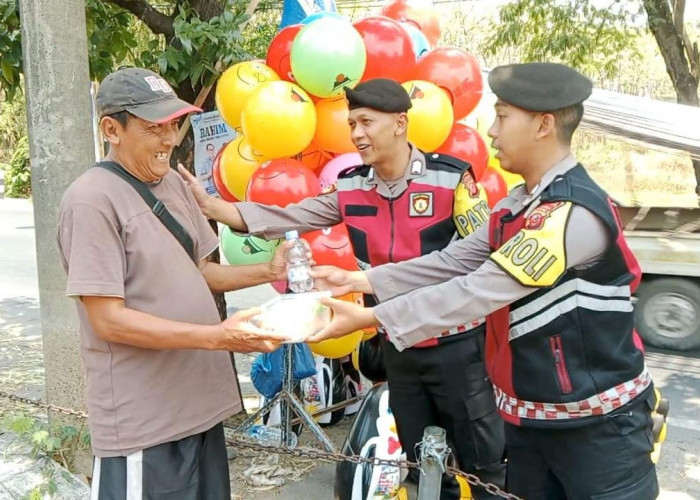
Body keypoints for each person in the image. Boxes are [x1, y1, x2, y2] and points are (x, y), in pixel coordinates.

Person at [306, 63, 659, 499]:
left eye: (503, 116)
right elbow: (450, 261)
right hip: (532, 423)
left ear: (543, 125)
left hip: (597, 430)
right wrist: (361, 277)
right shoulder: (518, 205)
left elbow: (477, 289)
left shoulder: (569, 212)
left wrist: (370, 314)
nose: (491, 131)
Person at [179, 78, 506, 499]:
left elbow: (480, 260)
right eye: (351, 123)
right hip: (396, 345)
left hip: (458, 345)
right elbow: (289, 215)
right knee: (417, 463)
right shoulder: (351, 185)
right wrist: (214, 207)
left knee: (484, 464)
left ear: (401, 123)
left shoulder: (453, 179)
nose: (355, 133)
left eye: (366, 122)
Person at [57, 67, 290, 499]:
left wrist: (269, 272)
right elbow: (109, 322)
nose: (170, 140)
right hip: (144, 422)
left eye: (172, 125)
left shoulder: (172, 185)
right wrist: (217, 337)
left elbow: (203, 272)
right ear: (112, 128)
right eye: (153, 129)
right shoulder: (90, 200)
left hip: (199, 408)